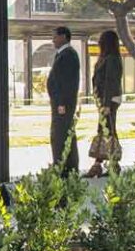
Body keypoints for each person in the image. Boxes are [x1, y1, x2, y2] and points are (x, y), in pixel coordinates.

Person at [84, 30, 123, 178]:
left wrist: (106, 104)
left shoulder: (111, 59)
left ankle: (99, 165)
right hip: (105, 100)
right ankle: (110, 164)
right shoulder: (106, 58)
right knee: (107, 129)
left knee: (107, 130)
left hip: (109, 100)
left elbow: (110, 82)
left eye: (101, 40)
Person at [47, 26, 80, 176]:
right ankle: (67, 165)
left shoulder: (68, 55)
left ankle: (63, 166)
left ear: (64, 37)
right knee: (65, 133)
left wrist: (61, 102)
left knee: (61, 134)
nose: (53, 40)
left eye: (55, 36)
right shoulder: (63, 54)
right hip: (59, 102)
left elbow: (66, 82)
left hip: (63, 103)